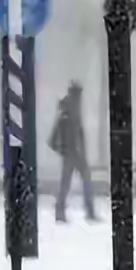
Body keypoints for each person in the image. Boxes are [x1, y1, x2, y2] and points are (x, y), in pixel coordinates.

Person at [49, 80, 97, 223]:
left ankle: (84, 211)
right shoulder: (67, 114)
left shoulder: (73, 112)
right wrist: (64, 150)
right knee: (69, 183)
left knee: (75, 182)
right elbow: (53, 140)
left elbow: (79, 134)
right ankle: (63, 211)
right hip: (72, 154)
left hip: (76, 154)